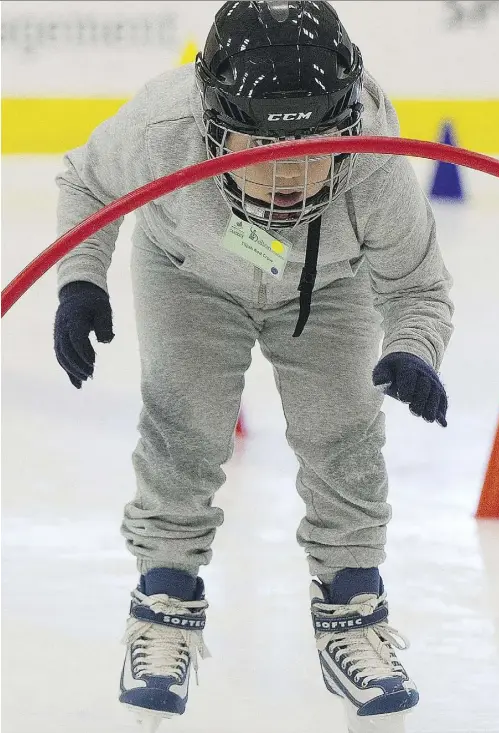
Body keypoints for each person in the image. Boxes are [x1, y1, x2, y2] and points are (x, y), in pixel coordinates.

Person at [53, 2, 453, 731]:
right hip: (189, 274)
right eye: (260, 149)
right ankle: (164, 604)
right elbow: (86, 182)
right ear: (212, 122)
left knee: (346, 434)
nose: (292, 174)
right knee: (183, 426)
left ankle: (352, 611)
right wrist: (81, 281)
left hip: (331, 285)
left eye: (317, 146)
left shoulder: (375, 163)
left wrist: (412, 350)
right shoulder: (161, 128)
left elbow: (418, 287)